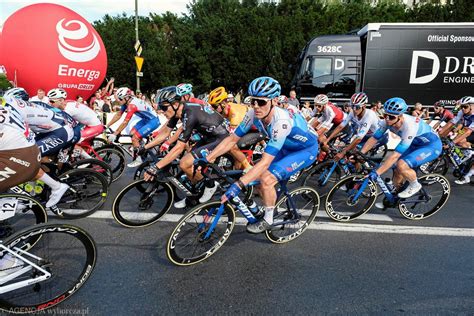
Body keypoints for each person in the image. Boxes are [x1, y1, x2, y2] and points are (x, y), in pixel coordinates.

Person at [194, 76, 319, 233]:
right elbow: (231, 140)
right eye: (253, 101)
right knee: (259, 180)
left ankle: (268, 219)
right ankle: (270, 206)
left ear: (273, 101)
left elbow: (265, 162)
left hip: (304, 150)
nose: (256, 106)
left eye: (261, 102)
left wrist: (239, 184)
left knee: (266, 179)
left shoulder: (281, 122)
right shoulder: (253, 113)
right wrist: (207, 158)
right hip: (285, 147)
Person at [143, 87, 230, 208]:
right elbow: (165, 134)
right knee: (190, 161)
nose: (161, 111)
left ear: (175, 103)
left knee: (184, 163)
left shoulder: (189, 114)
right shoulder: (177, 111)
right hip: (207, 136)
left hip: (220, 138)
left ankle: (210, 185)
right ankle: (196, 192)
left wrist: (155, 167)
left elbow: (179, 147)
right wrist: (145, 147)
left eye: (163, 107)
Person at [3, 89, 75, 207]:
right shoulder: (14, 104)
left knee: (26, 160)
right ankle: (44, 178)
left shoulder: (11, 108)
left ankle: (56, 186)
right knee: (29, 158)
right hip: (53, 129)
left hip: (60, 131)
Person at [360, 97, 442, 202]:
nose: (387, 119)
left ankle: (415, 185)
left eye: (391, 117)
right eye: (385, 115)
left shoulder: (409, 126)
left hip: (431, 146)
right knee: (396, 169)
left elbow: (395, 155)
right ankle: (396, 197)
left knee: (401, 164)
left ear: (400, 116)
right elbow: (374, 138)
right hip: (414, 144)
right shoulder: (387, 122)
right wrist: (360, 153)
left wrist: (377, 173)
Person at [106, 87, 160, 168]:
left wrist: (115, 133)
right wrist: (107, 125)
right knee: (131, 133)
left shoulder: (132, 105)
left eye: (120, 99)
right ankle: (143, 149)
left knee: (135, 138)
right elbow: (118, 115)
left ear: (126, 97)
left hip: (153, 121)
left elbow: (125, 122)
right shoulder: (126, 103)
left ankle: (140, 158)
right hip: (146, 119)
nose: (118, 101)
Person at [326, 92, 387, 162]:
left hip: (379, 136)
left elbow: (359, 138)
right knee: (351, 150)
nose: (354, 110)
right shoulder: (352, 112)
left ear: (364, 106)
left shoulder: (369, 115)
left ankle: (365, 170)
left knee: (358, 155)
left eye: (357, 107)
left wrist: (343, 153)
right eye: (352, 106)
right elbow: (341, 126)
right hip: (367, 135)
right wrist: (328, 139)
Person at [47, 88, 104, 157]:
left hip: (96, 126)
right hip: (90, 124)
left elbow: (61, 125)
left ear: (61, 100)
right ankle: (81, 156)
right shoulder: (67, 103)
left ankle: (90, 160)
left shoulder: (68, 110)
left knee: (71, 142)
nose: (49, 103)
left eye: (51, 101)